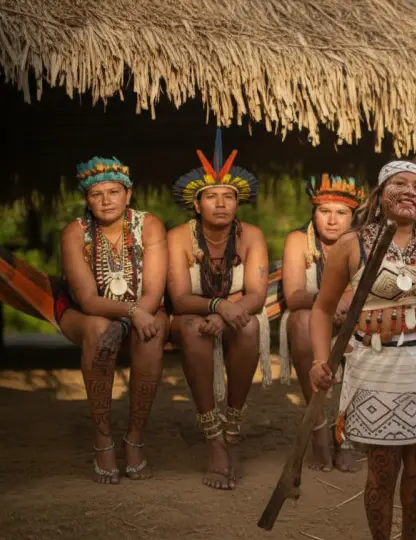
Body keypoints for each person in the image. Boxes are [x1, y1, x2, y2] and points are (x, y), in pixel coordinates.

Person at [309, 160, 416, 540]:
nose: (410, 192)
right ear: (380, 195)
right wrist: (321, 361)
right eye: (399, 184)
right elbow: (321, 309)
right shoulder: (353, 244)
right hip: (376, 367)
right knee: (383, 472)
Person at [166, 131, 270, 490]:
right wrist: (217, 305)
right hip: (191, 316)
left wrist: (226, 311)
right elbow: (179, 298)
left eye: (229, 196)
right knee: (194, 329)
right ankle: (214, 440)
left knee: (250, 328)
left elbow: (257, 294)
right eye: (212, 197)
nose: (221, 203)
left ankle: (233, 432)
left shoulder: (251, 235)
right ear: (197, 205)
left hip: (232, 313)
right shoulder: (179, 237)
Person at [56, 156, 169, 484]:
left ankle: (134, 438)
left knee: (152, 332)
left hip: (141, 310)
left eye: (114, 192)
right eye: (97, 194)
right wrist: (130, 314)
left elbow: (153, 292)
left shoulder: (149, 226)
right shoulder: (74, 233)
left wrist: (130, 320)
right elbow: (89, 301)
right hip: (84, 313)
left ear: (129, 195)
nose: (106, 200)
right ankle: (103, 439)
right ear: (86, 200)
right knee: (97, 327)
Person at [280, 173, 367, 472]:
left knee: (366, 330)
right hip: (315, 317)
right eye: (324, 211)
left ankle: (344, 436)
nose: (332, 220)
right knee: (302, 321)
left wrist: (346, 305)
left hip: (354, 319)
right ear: (313, 213)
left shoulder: (363, 241)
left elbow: (368, 290)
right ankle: (318, 429)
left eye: (341, 213)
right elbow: (293, 297)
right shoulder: (298, 240)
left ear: (353, 216)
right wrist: (332, 303)